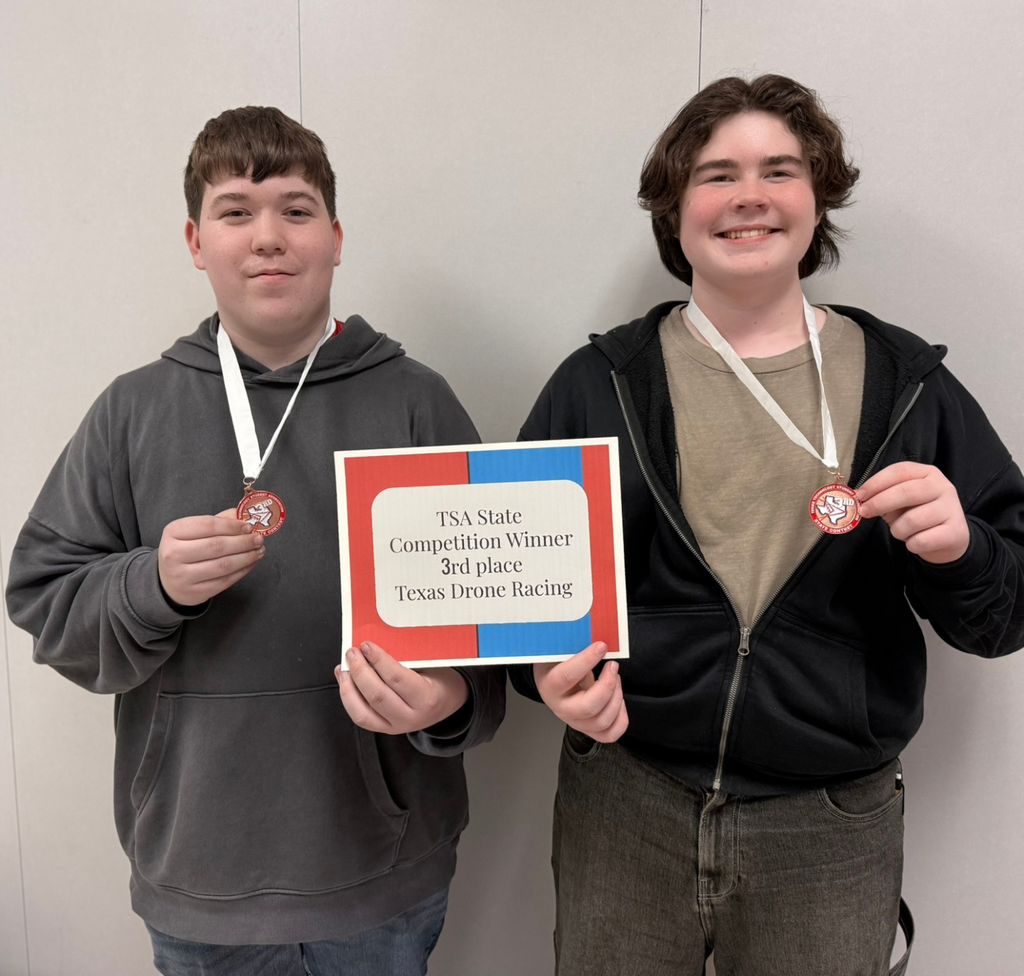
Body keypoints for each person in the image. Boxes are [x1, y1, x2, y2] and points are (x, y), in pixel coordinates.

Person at [510, 75, 1024, 976]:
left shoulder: (910, 386)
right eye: (717, 175)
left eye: (779, 170)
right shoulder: (601, 383)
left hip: (828, 822)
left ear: (817, 199)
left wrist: (963, 550)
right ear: (674, 213)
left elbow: (1006, 612)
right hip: (627, 801)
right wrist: (543, 677)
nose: (749, 194)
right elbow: (511, 594)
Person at [5, 106, 504, 975]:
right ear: (197, 241)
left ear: (336, 237)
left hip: (380, 875)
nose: (268, 236)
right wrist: (147, 584)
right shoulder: (132, 411)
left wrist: (452, 701)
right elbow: (43, 598)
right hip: (201, 875)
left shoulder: (418, 403)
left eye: (296, 210)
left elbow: (501, 621)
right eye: (237, 211)